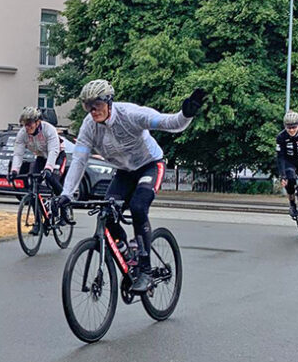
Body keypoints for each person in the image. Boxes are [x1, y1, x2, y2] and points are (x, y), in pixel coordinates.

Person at [54, 80, 205, 294]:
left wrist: (186, 114)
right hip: (125, 172)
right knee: (107, 212)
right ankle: (126, 252)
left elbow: (168, 122)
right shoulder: (89, 126)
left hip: (150, 165)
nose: (92, 110)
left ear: (108, 102)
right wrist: (66, 194)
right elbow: (79, 160)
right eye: (87, 105)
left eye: (96, 104)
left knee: (138, 207)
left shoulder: (130, 114)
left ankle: (145, 269)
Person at [8, 107, 69, 235]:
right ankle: (38, 222)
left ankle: (64, 209)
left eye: (29, 123)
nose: (27, 127)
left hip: (57, 156)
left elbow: (53, 151)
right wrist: (14, 170)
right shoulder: (22, 134)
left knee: (51, 178)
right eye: (24, 124)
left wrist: (48, 169)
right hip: (41, 157)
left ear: (38, 122)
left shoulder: (49, 129)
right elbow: (18, 154)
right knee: (32, 187)